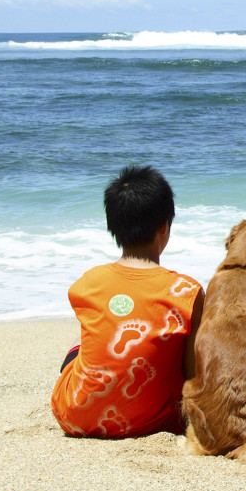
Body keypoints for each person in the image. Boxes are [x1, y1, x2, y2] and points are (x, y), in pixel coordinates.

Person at [51, 165, 204, 437]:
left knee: (81, 345)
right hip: (154, 422)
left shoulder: (88, 282)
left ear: (113, 227)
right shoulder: (187, 291)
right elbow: (193, 373)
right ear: (164, 227)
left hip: (74, 417)